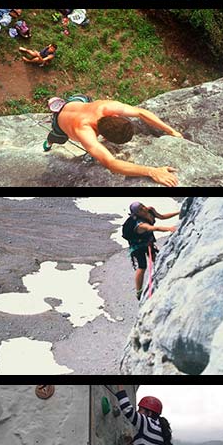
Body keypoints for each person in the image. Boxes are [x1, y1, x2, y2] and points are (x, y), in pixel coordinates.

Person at [44, 96, 184, 186]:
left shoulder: (105, 107)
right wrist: (151, 171)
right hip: (60, 124)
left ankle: (59, 103)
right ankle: (49, 142)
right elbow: (111, 164)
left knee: (84, 99)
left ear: (114, 116)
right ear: (104, 137)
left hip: (77, 101)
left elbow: (141, 112)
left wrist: (171, 131)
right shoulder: (84, 131)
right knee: (58, 138)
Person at [124, 201, 179, 300]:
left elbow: (162, 216)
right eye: (140, 209)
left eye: (143, 206)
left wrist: (179, 212)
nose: (144, 209)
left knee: (156, 259)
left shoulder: (150, 211)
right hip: (137, 247)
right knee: (142, 266)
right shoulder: (140, 224)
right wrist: (169, 229)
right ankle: (139, 291)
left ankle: (163, 274)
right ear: (136, 213)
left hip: (147, 242)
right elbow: (154, 228)